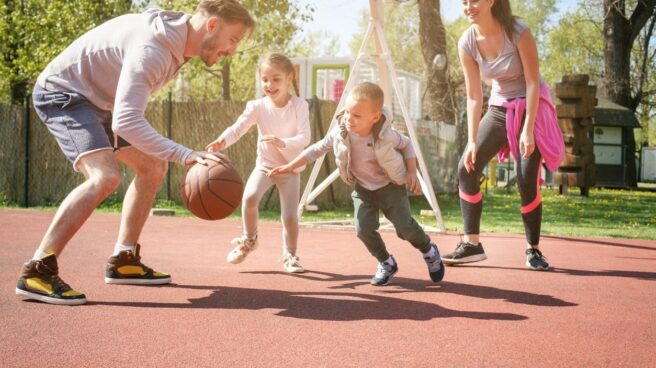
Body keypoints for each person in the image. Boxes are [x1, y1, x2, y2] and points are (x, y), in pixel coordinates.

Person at [15, 0, 256, 306]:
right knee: (104, 177)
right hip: (64, 93)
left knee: (153, 167)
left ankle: (124, 259)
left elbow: (124, 114)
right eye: (233, 39)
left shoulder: (177, 43)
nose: (232, 51)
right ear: (211, 25)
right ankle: (38, 270)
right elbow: (127, 121)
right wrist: (184, 154)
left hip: (99, 102)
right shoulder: (152, 49)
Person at [268, 82, 445, 286]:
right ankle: (386, 262)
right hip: (363, 189)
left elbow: (406, 144)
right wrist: (290, 165)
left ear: (375, 117)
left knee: (404, 228)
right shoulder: (341, 132)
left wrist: (412, 172)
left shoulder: (386, 134)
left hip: (391, 187)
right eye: (348, 112)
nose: (349, 119)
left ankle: (428, 250)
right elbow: (317, 149)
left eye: (357, 116)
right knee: (363, 229)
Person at [442, 0, 564, 270]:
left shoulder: (518, 31)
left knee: (525, 178)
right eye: (463, 2)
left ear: (490, 1)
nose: (468, 7)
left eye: (473, 0)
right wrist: (473, 140)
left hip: (532, 107)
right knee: (466, 167)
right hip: (499, 108)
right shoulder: (467, 42)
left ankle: (533, 250)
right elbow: (474, 96)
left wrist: (528, 129)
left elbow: (533, 82)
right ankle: (472, 244)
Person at [205, 52, 311, 273]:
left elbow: (305, 138)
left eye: (276, 79)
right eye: (265, 79)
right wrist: (223, 140)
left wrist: (282, 142)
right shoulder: (257, 106)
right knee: (250, 197)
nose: (269, 84)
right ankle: (249, 239)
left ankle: (290, 255)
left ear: (289, 78)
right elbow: (239, 127)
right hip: (266, 165)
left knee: (290, 217)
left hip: (290, 168)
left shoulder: (299, 105)